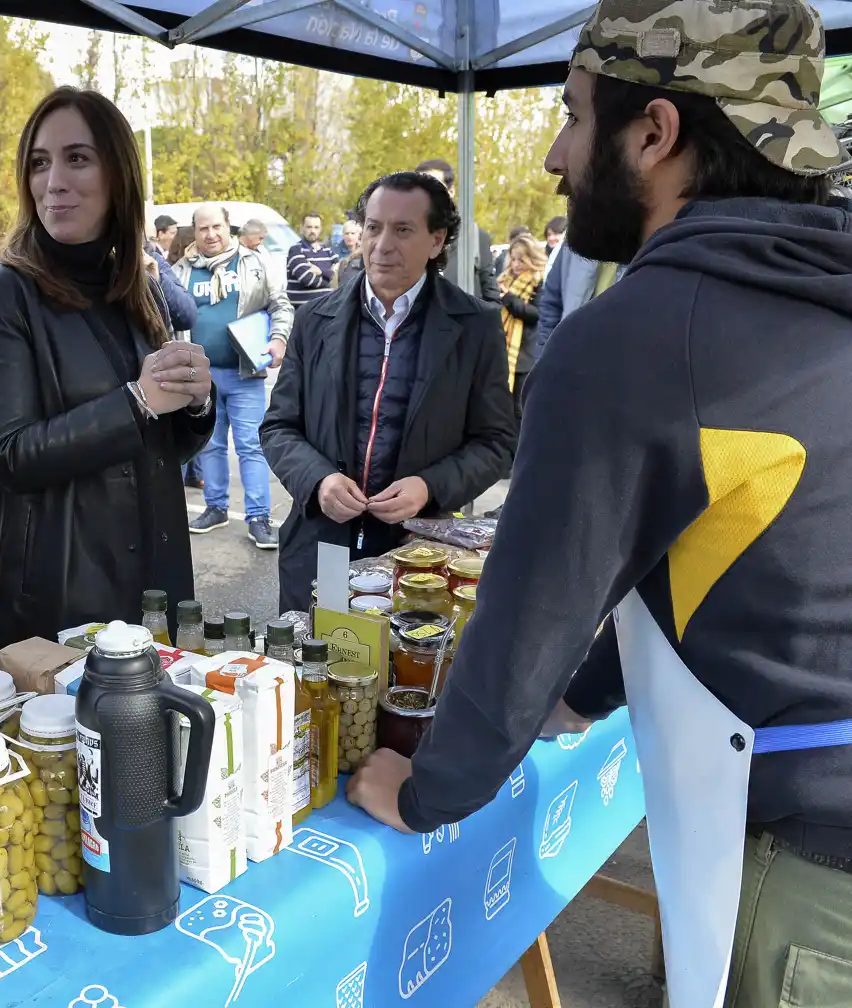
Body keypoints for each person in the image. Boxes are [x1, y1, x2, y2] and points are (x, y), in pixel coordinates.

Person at [346, 3, 852, 1005]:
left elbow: (526, 618)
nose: (553, 155)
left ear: (654, 134)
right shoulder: (811, 293)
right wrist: (581, 698)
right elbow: (724, 551)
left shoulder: (637, 337)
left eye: (575, 116)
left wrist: (429, 788)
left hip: (805, 866)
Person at [0, 86, 215, 653]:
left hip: (157, 572)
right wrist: (137, 401)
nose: (54, 180)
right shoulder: (1, 291)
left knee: (162, 734)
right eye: (39, 162)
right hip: (65, 585)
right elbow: (10, 454)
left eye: (77, 158)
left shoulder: (136, 284)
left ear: (118, 175)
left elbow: (164, 445)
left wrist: (195, 401)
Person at [263, 171, 516, 613]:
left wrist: (429, 486)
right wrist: (318, 480)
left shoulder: (474, 326)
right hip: (323, 545)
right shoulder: (315, 319)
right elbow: (279, 426)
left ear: (437, 241)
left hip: (418, 555)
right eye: (374, 227)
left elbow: (497, 442)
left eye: (403, 230)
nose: (382, 245)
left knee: (404, 672)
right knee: (323, 664)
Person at [174, 203, 295, 549]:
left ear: (229, 228)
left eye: (216, 227)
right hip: (200, 377)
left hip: (244, 372)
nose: (210, 234)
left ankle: (258, 516)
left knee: (251, 446)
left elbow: (280, 304)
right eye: (203, 229)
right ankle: (216, 508)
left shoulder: (255, 263)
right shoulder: (183, 269)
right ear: (194, 232)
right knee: (209, 445)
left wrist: (278, 339)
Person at [415, 157, 502, 302]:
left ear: (451, 191)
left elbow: (492, 299)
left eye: (434, 187)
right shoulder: (402, 238)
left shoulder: (475, 238)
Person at [533, 238, 623, 360]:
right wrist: (543, 359)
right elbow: (551, 305)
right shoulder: (576, 239)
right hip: (568, 358)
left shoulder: (649, 239)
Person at [497, 232, 547, 414]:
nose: (516, 265)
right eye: (513, 259)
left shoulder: (538, 281)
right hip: (504, 351)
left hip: (524, 353)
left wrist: (509, 298)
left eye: (521, 260)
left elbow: (536, 314)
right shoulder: (504, 279)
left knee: (520, 410)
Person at [286, 211, 336, 308]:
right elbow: (307, 279)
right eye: (309, 227)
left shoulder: (328, 251)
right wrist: (330, 281)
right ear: (302, 228)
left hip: (326, 309)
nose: (312, 231)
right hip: (303, 311)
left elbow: (340, 276)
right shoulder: (296, 250)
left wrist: (321, 271)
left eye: (316, 227)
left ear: (320, 229)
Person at [333, 218, 363, 288]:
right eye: (347, 233)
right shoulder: (335, 251)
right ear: (343, 235)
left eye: (353, 233)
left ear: (358, 235)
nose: (349, 237)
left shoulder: (364, 250)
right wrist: (351, 257)